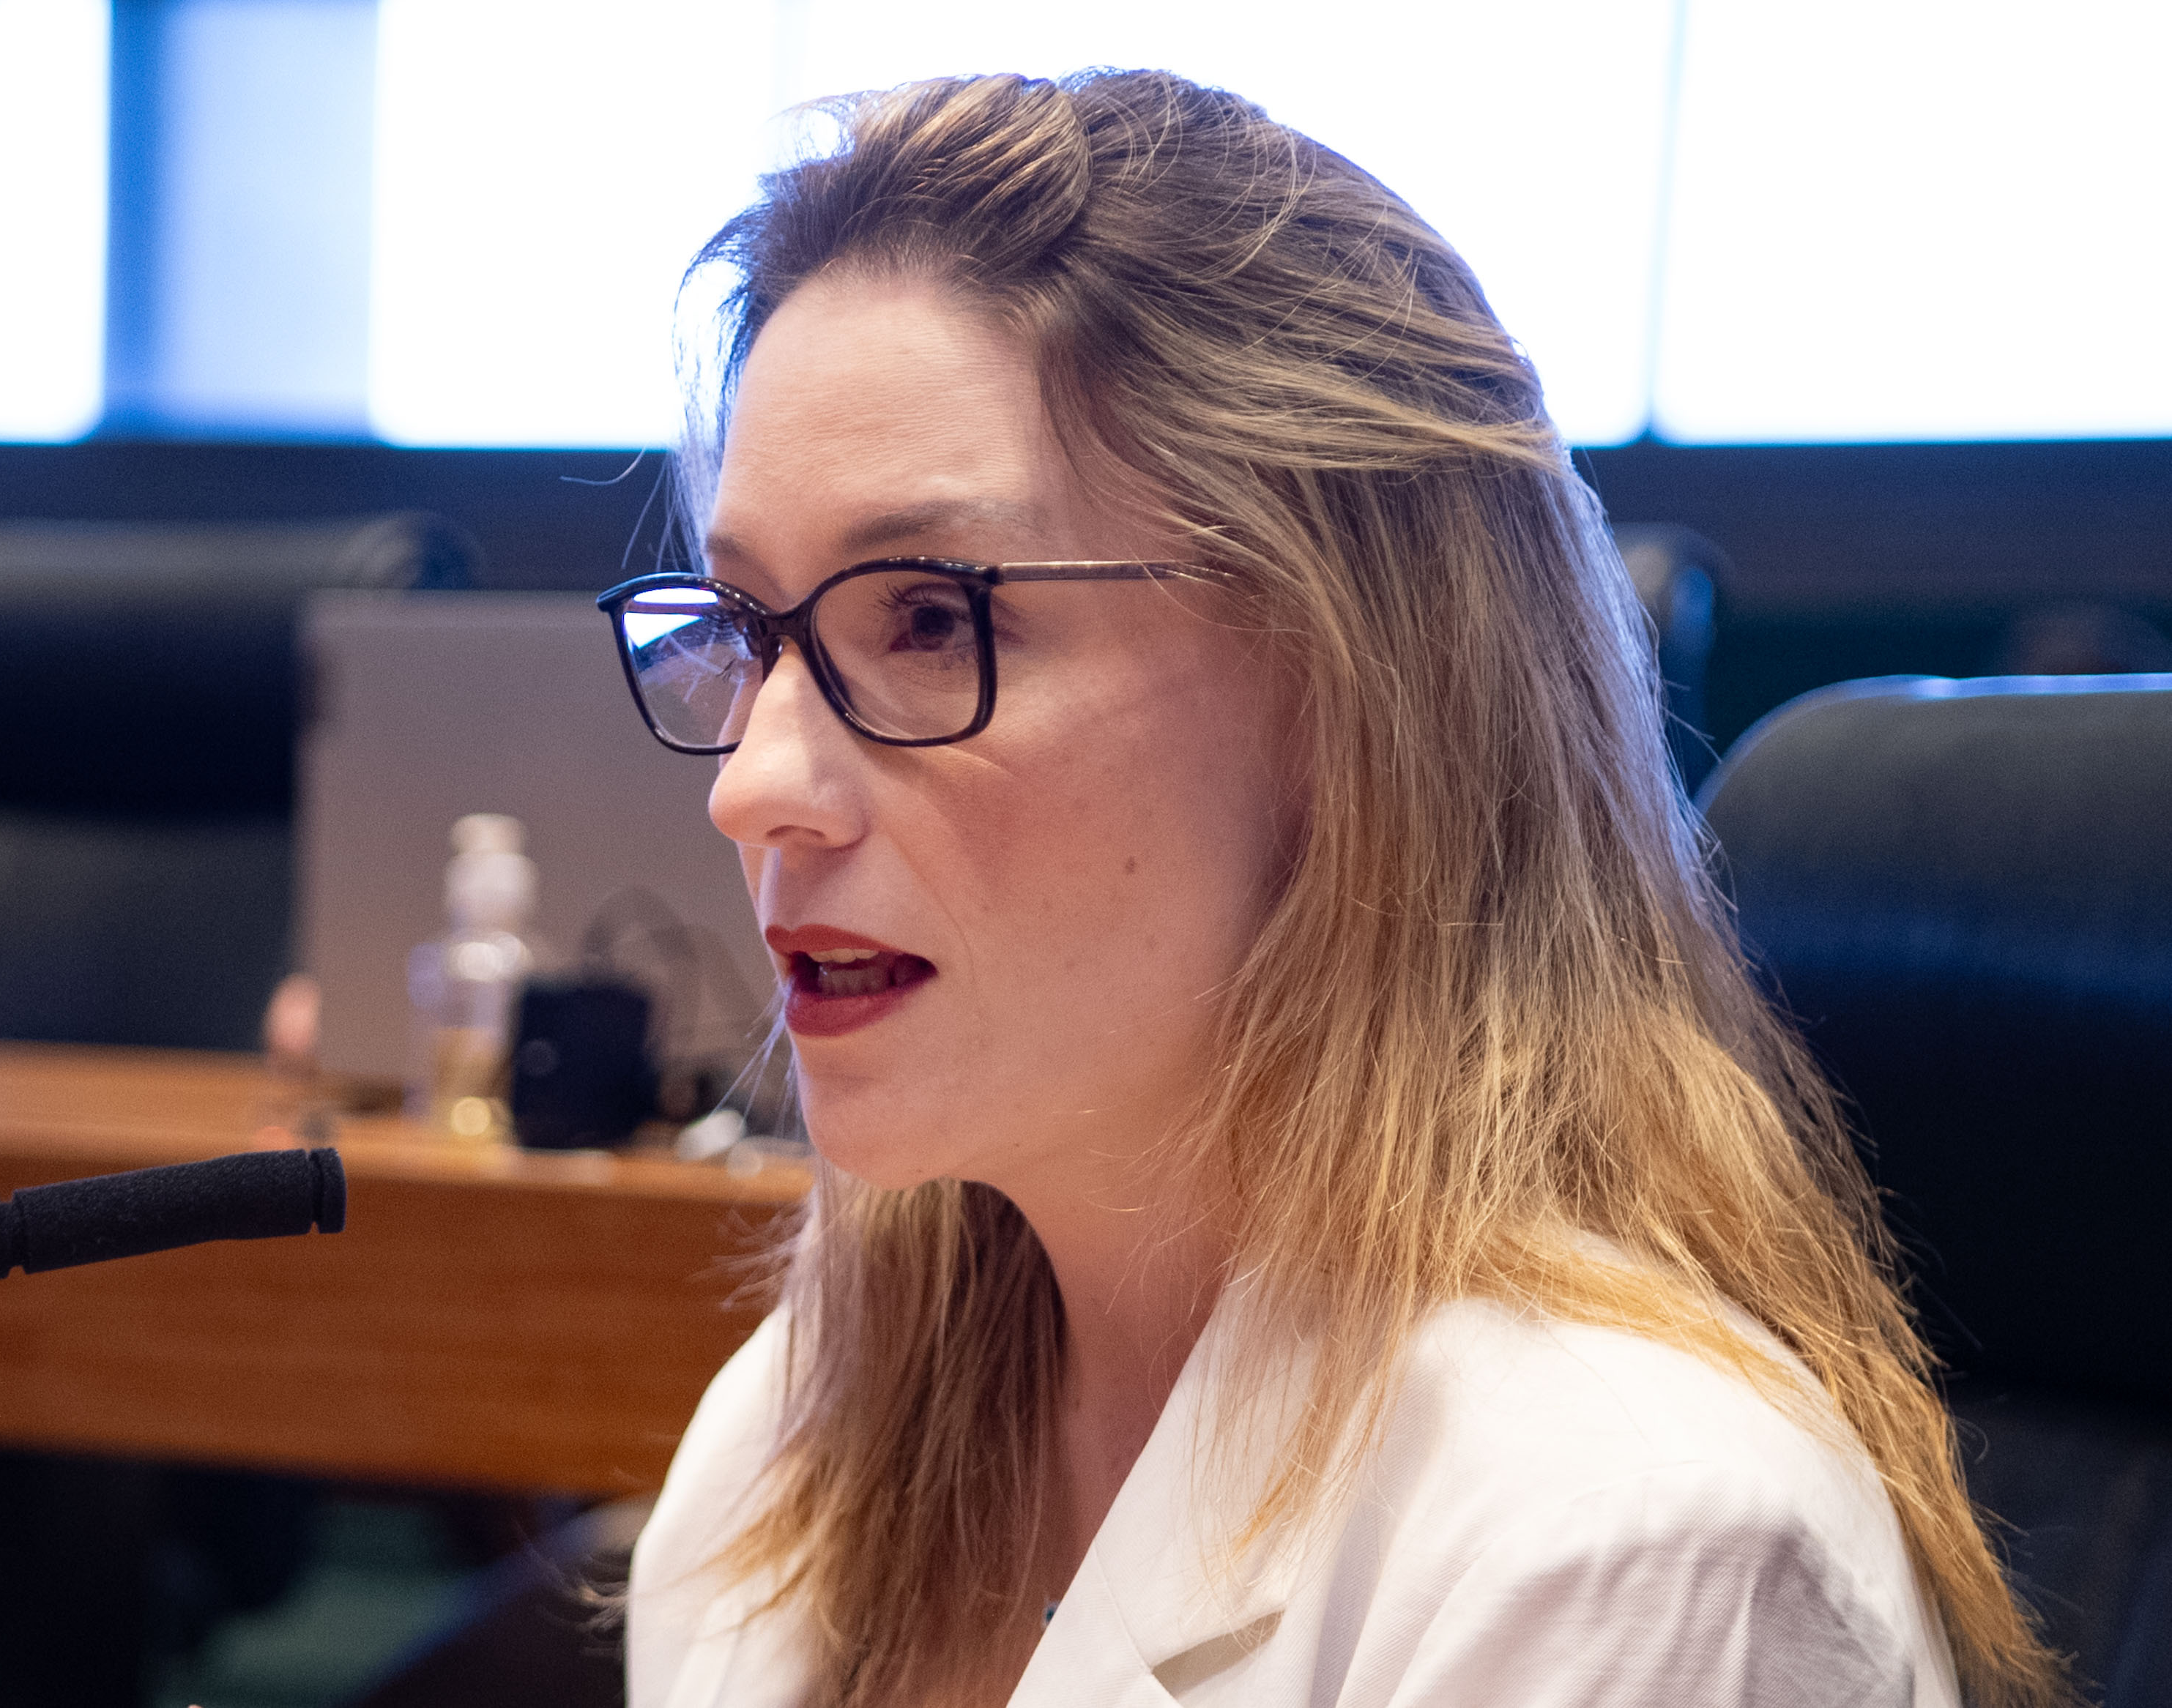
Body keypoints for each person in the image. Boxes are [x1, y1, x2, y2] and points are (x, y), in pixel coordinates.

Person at [599, 70, 2064, 1708]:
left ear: (1352, 687)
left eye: (933, 620)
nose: (752, 786)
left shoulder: (1629, 1539)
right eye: (746, 631)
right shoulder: (797, 1431)